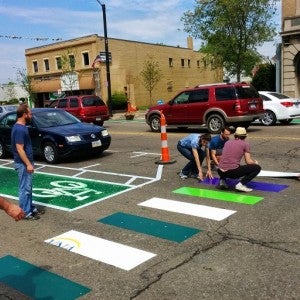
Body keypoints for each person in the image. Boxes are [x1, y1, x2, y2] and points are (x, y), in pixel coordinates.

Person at [11, 103, 43, 220]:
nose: (31, 115)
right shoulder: (19, 129)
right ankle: (25, 212)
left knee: (28, 187)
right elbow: (19, 148)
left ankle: (29, 207)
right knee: (24, 188)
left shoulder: (21, 127)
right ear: (24, 115)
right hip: (23, 163)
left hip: (25, 163)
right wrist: (28, 164)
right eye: (30, 113)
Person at [217, 127, 261, 192]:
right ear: (245, 136)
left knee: (229, 164)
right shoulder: (245, 144)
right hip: (232, 173)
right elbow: (248, 162)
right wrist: (255, 163)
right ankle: (241, 184)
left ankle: (222, 181)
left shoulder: (227, 142)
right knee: (257, 168)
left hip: (220, 171)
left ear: (235, 135)